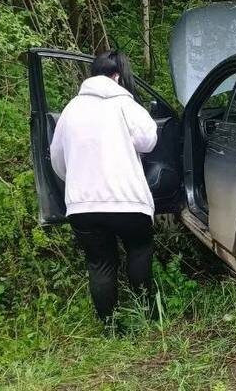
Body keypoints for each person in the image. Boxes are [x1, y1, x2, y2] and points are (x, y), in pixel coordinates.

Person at [49, 50, 158, 323]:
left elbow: (57, 160)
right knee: (139, 249)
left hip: (83, 205)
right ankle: (148, 314)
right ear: (117, 76)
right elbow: (148, 142)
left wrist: (76, 182)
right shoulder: (127, 105)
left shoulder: (70, 110)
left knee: (100, 264)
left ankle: (109, 325)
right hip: (128, 201)